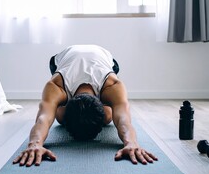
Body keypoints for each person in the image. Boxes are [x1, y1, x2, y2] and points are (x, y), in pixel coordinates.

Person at [13, 45, 157, 167]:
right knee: (58, 115)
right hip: (63, 59)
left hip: (104, 58)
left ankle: (82, 116)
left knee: (108, 117)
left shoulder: (113, 84)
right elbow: (43, 118)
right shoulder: (56, 85)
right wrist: (35, 143)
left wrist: (131, 142)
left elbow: (123, 119)